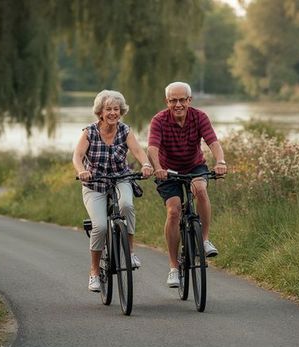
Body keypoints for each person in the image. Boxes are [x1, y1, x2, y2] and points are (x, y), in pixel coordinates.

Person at [147, 81, 227, 288]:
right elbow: (153, 148)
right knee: (174, 211)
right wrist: (157, 167)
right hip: (167, 171)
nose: (178, 104)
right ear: (167, 102)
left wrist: (220, 162)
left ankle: (204, 239)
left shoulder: (199, 117)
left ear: (189, 100)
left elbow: (213, 142)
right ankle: (174, 268)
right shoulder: (159, 120)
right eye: (173, 100)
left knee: (200, 189)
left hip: (194, 166)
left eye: (182, 100)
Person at [73, 90, 153, 292]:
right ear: (100, 112)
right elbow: (77, 156)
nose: (112, 112)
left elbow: (137, 151)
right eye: (108, 109)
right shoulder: (89, 132)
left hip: (120, 178)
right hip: (95, 184)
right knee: (99, 227)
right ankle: (94, 272)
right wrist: (82, 171)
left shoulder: (125, 131)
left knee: (126, 205)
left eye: (116, 109)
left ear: (121, 111)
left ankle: (131, 252)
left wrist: (145, 165)